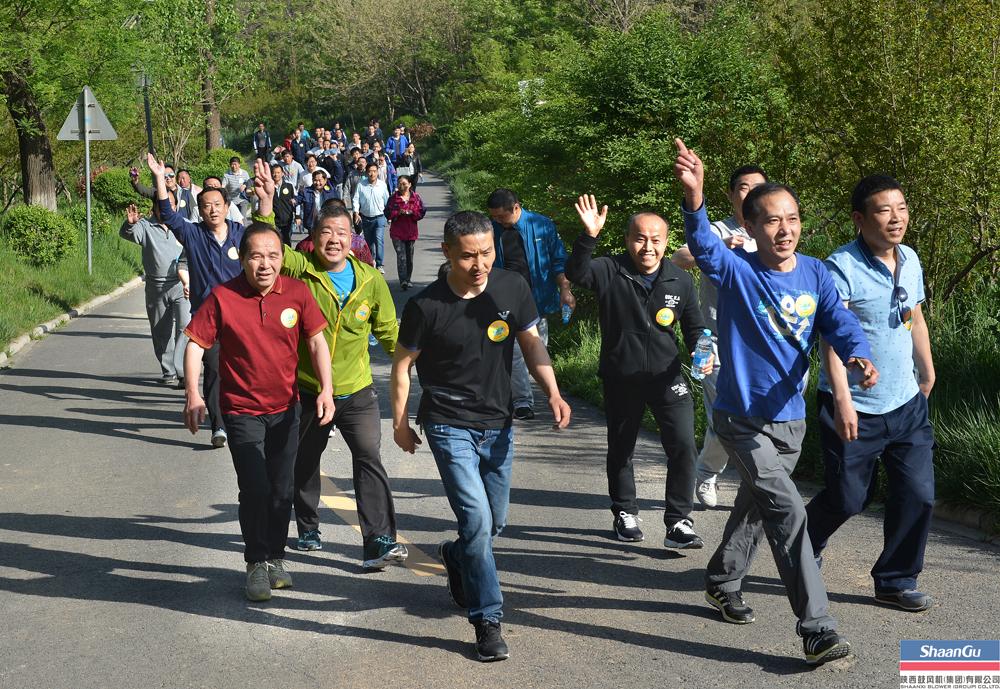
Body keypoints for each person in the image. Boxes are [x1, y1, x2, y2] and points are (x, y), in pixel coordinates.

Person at [674, 139, 878, 665]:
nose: (784, 230)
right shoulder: (737, 270)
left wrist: (857, 354)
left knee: (756, 506)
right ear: (750, 226)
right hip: (741, 417)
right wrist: (694, 198)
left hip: (790, 419)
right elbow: (704, 245)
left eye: (792, 219)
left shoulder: (815, 272)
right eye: (770, 221)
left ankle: (722, 580)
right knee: (788, 512)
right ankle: (817, 628)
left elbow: (838, 322)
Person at [390, 210, 571, 662]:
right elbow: (402, 365)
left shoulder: (511, 287)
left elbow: (531, 342)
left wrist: (553, 391)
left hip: (498, 423)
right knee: (476, 521)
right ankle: (487, 619)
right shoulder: (426, 306)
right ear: (447, 253)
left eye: (486, 253)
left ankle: (456, 556)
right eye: (468, 256)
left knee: (495, 523)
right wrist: (399, 422)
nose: (479, 264)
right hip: (448, 423)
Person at [183, 222, 334, 601]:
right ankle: (255, 563)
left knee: (282, 489)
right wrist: (193, 394)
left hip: (286, 409)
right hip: (240, 410)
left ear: (282, 258)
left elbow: (317, 342)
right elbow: (195, 345)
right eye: (256, 256)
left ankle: (276, 559)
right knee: (256, 488)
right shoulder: (223, 297)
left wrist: (327, 389)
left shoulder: (297, 292)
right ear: (242, 259)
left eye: (272, 256)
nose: (265, 264)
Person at [806, 174, 936, 612]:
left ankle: (896, 580)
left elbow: (914, 316)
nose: (896, 218)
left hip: (905, 401)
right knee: (848, 498)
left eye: (901, 208)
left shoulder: (910, 258)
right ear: (860, 219)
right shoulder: (840, 267)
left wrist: (926, 370)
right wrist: (842, 398)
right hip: (853, 406)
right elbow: (830, 338)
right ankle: (806, 540)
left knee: (918, 493)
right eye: (884, 210)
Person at [568, 195, 709, 548]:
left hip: (667, 378)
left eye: (656, 239)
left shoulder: (680, 280)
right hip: (622, 378)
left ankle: (679, 522)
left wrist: (702, 351)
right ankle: (625, 512)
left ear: (666, 241)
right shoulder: (609, 270)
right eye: (640, 238)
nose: (648, 247)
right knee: (622, 448)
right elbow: (576, 273)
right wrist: (588, 236)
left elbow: (695, 328)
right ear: (628, 239)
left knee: (683, 446)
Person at [276, 205, 406, 569]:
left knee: (368, 456)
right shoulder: (302, 270)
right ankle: (308, 526)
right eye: (326, 232)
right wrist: (268, 207)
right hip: (309, 389)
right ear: (314, 237)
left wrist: (416, 363)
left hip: (356, 389)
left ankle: (378, 540)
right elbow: (272, 249)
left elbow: (389, 332)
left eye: (342, 233)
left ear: (352, 239)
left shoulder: (370, 280)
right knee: (305, 459)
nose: (334, 240)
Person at [149, 153, 275, 448]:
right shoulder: (193, 234)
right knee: (215, 370)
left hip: (243, 316)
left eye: (217, 204)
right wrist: (159, 179)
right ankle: (219, 425)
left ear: (227, 207)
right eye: (206, 205)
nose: (212, 209)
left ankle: (253, 414)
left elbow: (266, 234)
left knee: (250, 367)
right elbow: (168, 214)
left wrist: (266, 199)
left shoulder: (241, 235)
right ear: (200, 210)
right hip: (209, 317)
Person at [671, 165, 767, 508]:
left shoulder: (770, 230)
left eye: (758, 187)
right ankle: (709, 472)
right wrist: (718, 246)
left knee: (753, 414)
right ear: (730, 195)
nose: (750, 193)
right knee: (723, 413)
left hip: (757, 342)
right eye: (743, 187)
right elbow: (679, 257)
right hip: (711, 340)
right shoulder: (716, 230)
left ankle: (731, 472)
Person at [487, 188, 575, 420]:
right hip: (503, 300)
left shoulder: (542, 225)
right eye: (493, 216)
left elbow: (558, 261)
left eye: (501, 216)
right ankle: (522, 402)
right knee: (515, 353)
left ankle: (528, 394)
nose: (497, 220)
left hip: (537, 301)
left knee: (536, 348)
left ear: (516, 207)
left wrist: (565, 290)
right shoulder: (491, 230)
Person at [120, 199, 191, 386]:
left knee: (185, 327)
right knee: (161, 330)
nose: (167, 209)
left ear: (175, 206)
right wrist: (130, 224)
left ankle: (183, 372)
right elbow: (128, 234)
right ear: (155, 209)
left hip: (181, 285)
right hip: (156, 287)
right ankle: (169, 371)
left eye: (171, 204)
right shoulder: (145, 226)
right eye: (162, 206)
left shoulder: (183, 225)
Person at [386, 175, 425, 290]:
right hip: (397, 232)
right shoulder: (393, 198)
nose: (401, 186)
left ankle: (408, 279)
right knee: (401, 256)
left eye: (404, 183)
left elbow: (422, 212)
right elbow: (387, 212)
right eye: (399, 183)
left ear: (410, 184)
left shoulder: (416, 197)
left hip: (411, 232)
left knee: (409, 257)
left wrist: (412, 213)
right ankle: (403, 280)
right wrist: (398, 213)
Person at [353, 161, 390, 273]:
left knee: (379, 240)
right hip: (366, 217)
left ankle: (379, 264)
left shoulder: (382, 185)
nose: (372, 174)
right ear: (366, 172)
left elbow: (387, 201)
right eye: (370, 171)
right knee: (369, 242)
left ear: (377, 172)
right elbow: (356, 199)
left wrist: (389, 216)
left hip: (379, 217)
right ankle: (371, 262)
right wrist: (356, 212)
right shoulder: (361, 185)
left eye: (374, 171)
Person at [294, 168, 340, 234]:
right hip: (312, 224)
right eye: (315, 180)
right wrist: (294, 201)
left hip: (328, 223)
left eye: (320, 180)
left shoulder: (331, 191)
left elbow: (337, 205)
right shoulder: (306, 191)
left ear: (325, 180)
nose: (317, 183)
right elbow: (297, 199)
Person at [271, 164, 297, 246]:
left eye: (278, 172)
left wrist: (297, 216)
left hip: (287, 219)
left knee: (287, 240)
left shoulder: (289, 186)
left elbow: (296, 201)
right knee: (276, 241)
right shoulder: (269, 187)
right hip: (274, 220)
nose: (276, 175)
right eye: (274, 173)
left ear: (282, 173)